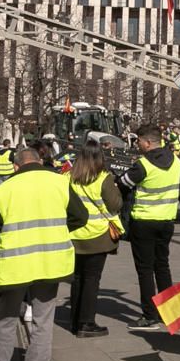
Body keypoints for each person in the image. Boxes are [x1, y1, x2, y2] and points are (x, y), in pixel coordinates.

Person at [0, 148, 87, 361]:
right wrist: (56, 229)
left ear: (16, 167)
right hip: (50, 262)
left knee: (6, 320)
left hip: (16, 263)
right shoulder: (60, 182)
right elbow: (80, 217)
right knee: (42, 321)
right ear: (40, 162)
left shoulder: (5, 189)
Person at [118, 126, 180, 332]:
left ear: (147, 142)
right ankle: (169, 312)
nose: (137, 145)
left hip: (144, 222)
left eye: (138, 141)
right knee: (162, 266)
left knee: (145, 270)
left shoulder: (143, 165)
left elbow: (123, 183)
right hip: (167, 221)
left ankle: (149, 315)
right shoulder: (176, 162)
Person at [65, 144, 124, 337]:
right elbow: (115, 205)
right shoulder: (103, 178)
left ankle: (74, 320)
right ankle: (86, 323)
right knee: (92, 279)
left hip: (74, 234)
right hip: (97, 235)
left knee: (77, 279)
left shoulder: (68, 177)